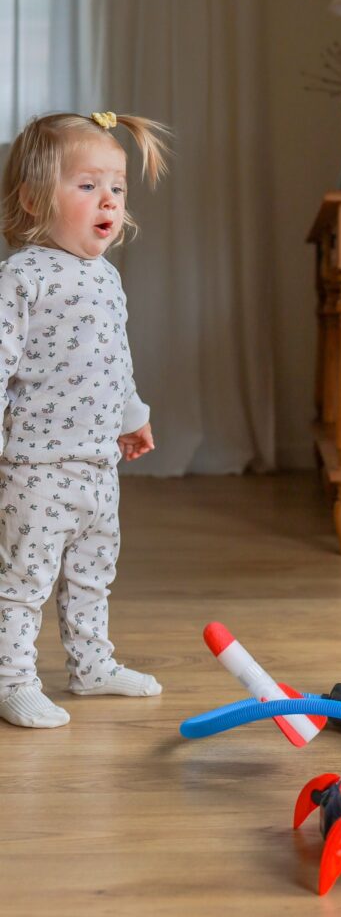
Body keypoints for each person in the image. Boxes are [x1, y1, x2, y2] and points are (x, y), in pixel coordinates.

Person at [0, 109, 169, 728]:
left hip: (97, 462)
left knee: (93, 570)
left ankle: (91, 663)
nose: (109, 200)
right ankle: (12, 677)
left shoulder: (107, 278)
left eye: (118, 188)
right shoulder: (22, 276)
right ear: (35, 197)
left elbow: (114, 358)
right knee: (25, 577)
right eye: (88, 185)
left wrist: (133, 414)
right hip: (36, 466)